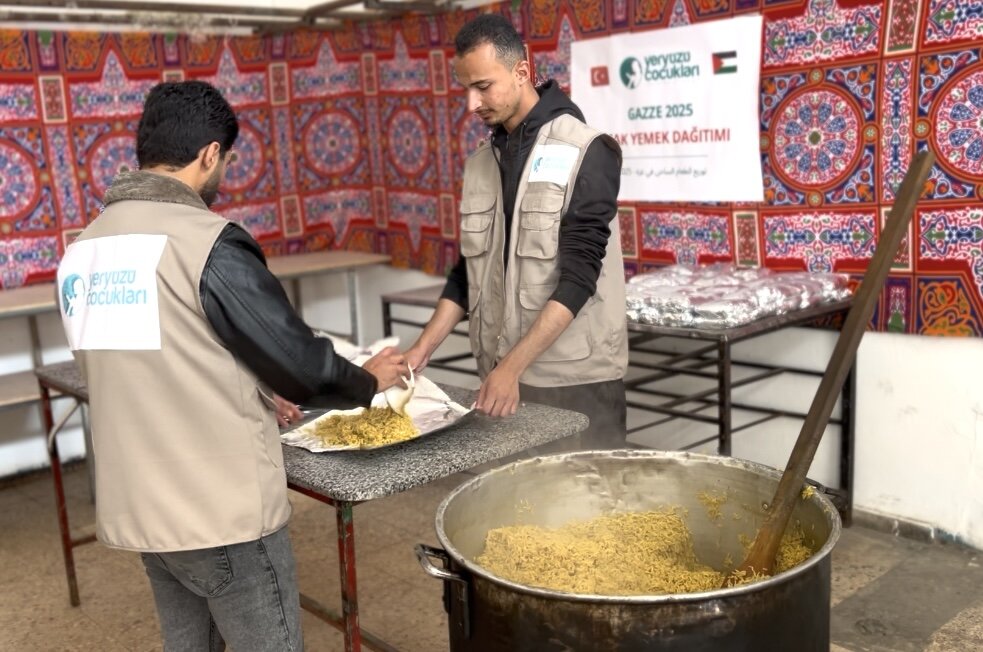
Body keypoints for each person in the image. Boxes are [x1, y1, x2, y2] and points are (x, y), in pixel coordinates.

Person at [55, 80, 408, 652]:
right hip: (219, 511)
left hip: (144, 510)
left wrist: (251, 386)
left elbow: (157, 359)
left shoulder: (84, 250)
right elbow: (302, 364)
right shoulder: (206, 242)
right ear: (210, 154)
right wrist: (370, 380)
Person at [404, 14, 629, 450]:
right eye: (466, 89)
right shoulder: (481, 162)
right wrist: (422, 350)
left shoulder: (586, 148)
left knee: (588, 506)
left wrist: (511, 367)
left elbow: (579, 277)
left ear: (521, 71)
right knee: (521, 508)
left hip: (574, 379)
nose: (472, 103)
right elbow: (468, 272)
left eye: (483, 86)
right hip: (502, 376)